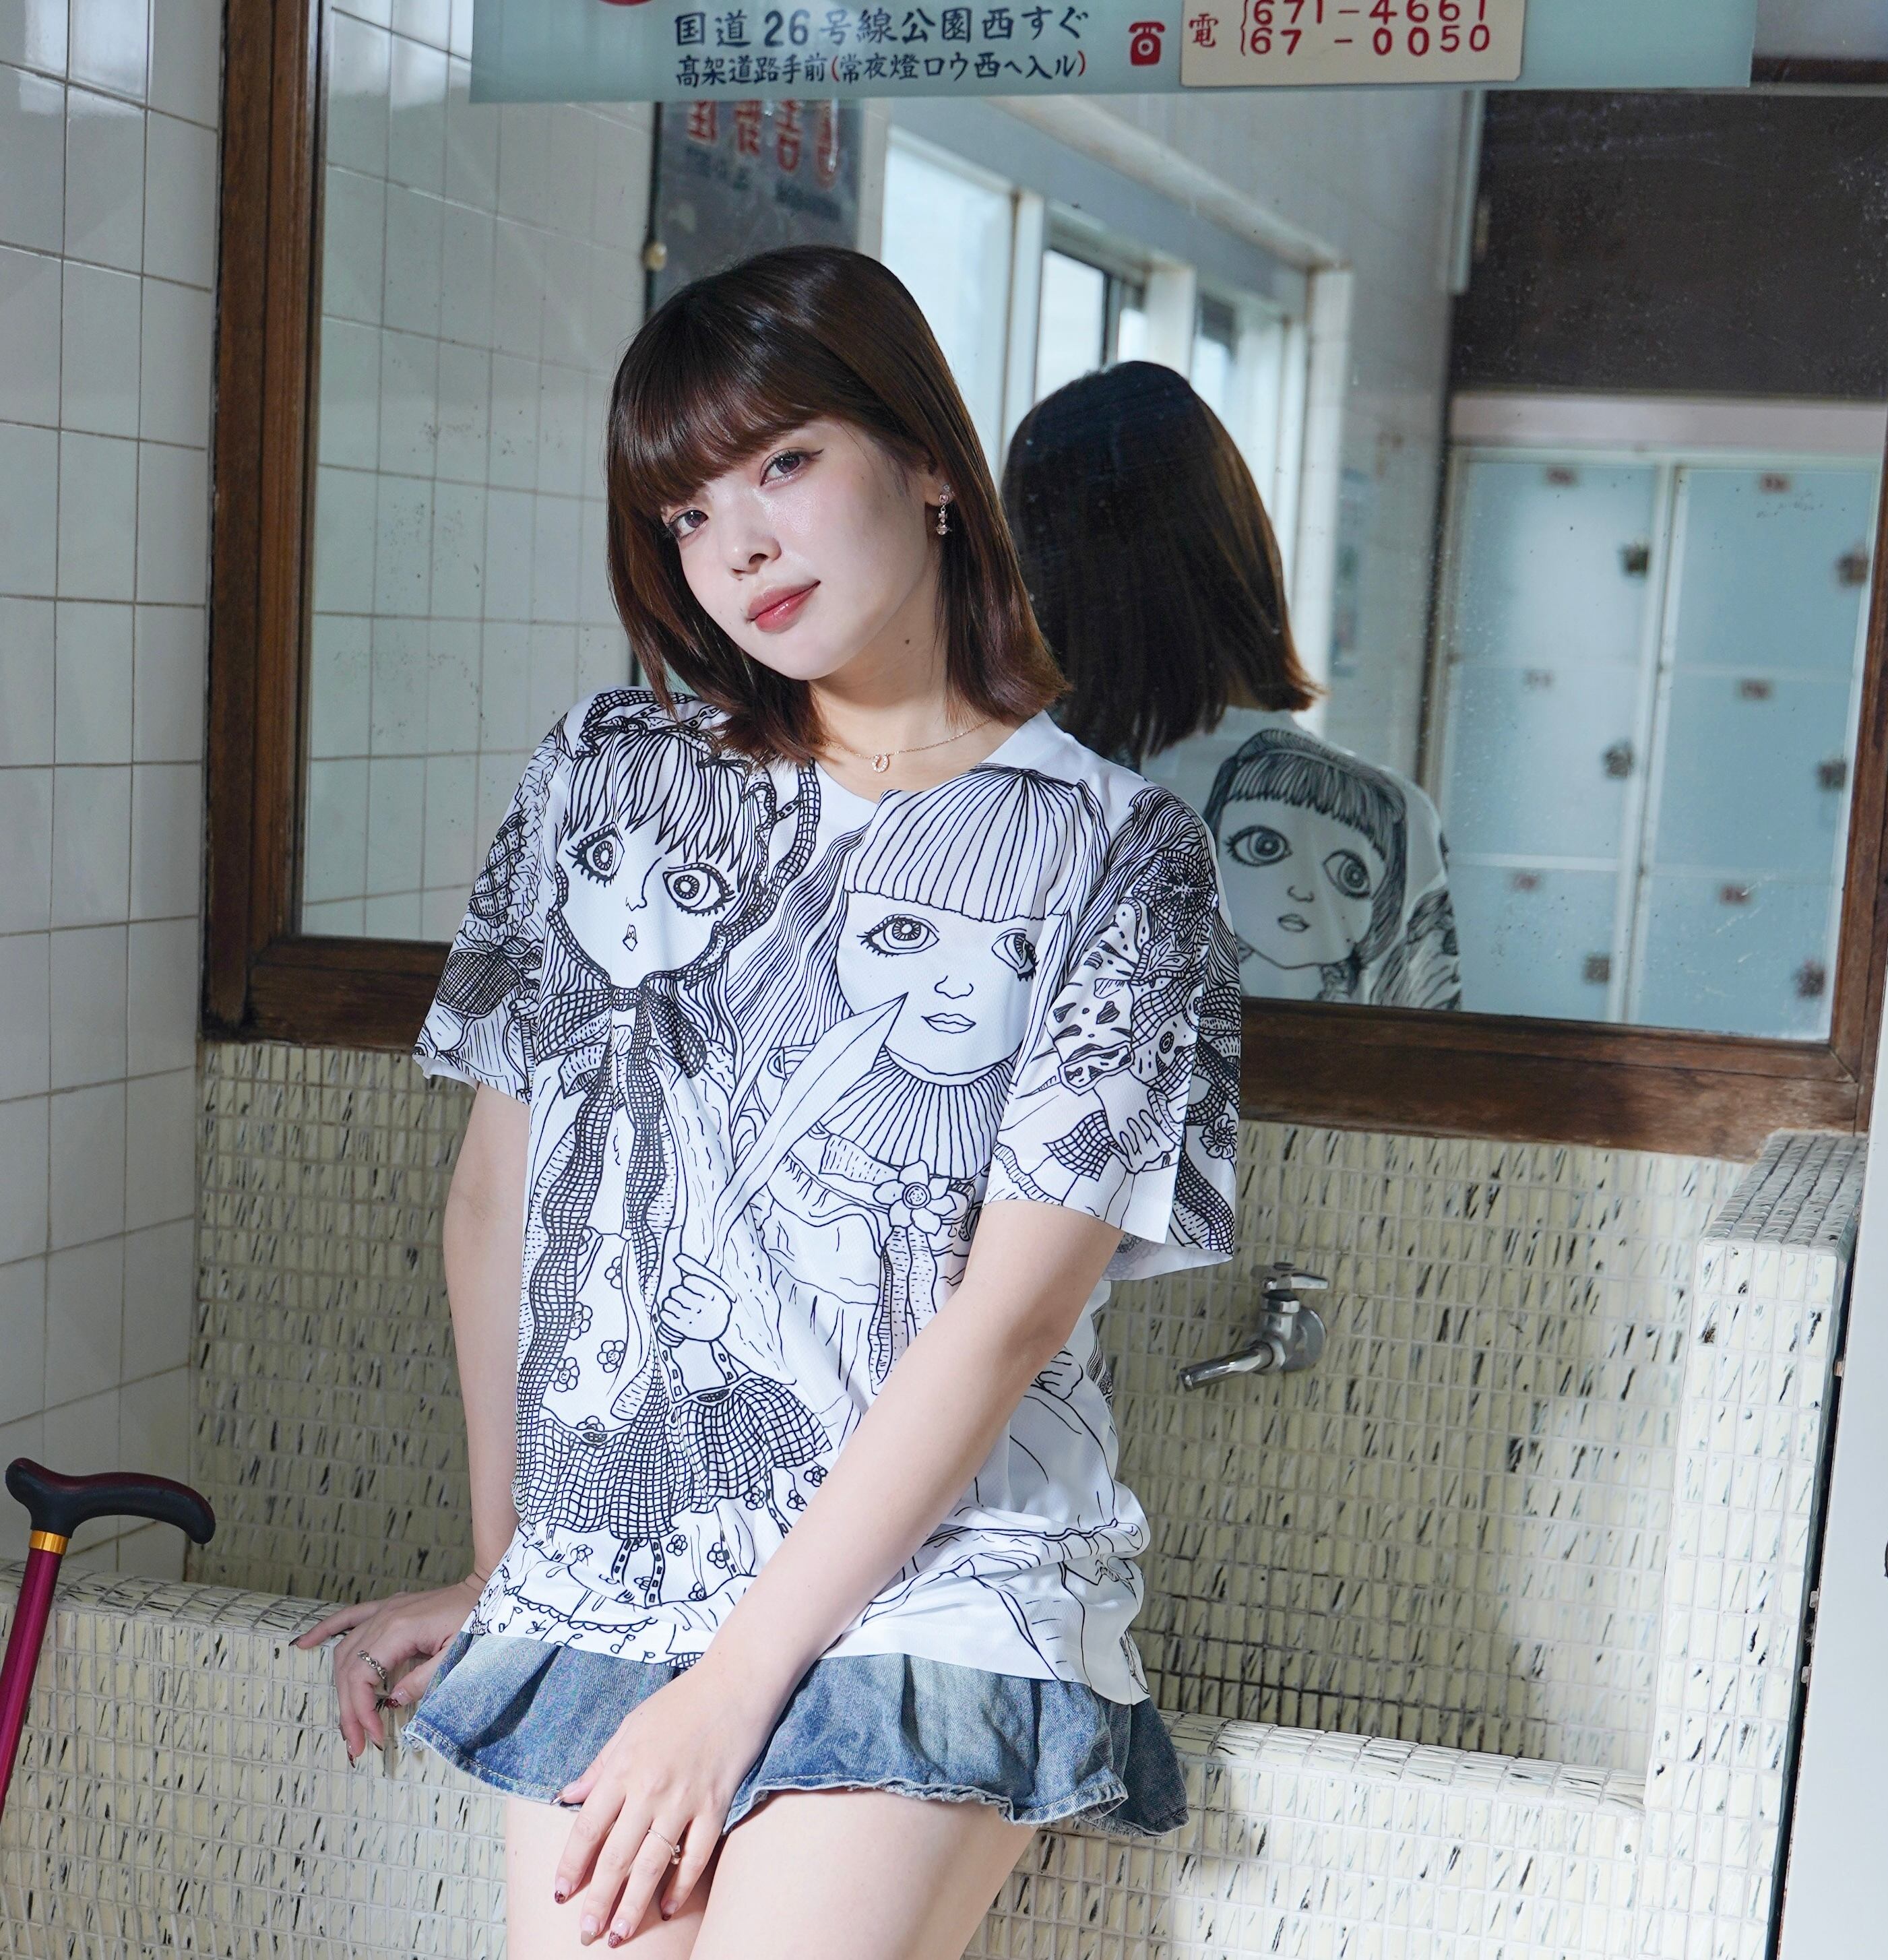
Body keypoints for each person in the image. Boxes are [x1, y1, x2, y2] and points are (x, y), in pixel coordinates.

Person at [296, 247, 1240, 1960]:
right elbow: (501, 1207)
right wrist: (515, 1568)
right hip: (616, 1561)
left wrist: (731, 1686)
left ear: (929, 460)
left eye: (783, 464)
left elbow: (1009, 1316)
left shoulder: (1115, 850)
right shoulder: (608, 776)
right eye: (685, 513)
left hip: (937, 1575)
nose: (735, 545)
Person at [1004, 361, 1461, 1011]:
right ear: (1237, 539)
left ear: (1036, 570)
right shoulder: (1393, 818)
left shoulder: (994, 801)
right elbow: (1425, 1067)